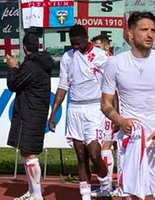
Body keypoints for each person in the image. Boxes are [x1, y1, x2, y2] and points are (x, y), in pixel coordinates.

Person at [100, 12, 155, 200]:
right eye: (144, 30)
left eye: (153, 30)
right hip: (131, 139)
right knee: (131, 194)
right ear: (130, 34)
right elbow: (105, 103)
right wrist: (120, 120)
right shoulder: (115, 63)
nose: (149, 34)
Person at [48, 24, 111, 200]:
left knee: (94, 154)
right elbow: (62, 86)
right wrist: (53, 113)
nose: (75, 47)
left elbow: (111, 84)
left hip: (94, 109)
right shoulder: (67, 58)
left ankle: (105, 185)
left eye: (78, 43)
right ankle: (85, 195)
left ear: (86, 38)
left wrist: (114, 112)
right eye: (72, 43)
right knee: (81, 156)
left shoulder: (100, 56)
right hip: (74, 109)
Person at [5, 33, 53, 200]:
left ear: (24, 48)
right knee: (27, 153)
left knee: (30, 154)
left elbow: (13, 84)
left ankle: (37, 194)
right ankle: (32, 191)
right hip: (33, 111)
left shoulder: (31, 66)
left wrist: (12, 67)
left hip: (31, 113)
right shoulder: (39, 63)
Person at [91, 35, 117, 192]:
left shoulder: (110, 62)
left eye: (98, 48)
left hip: (110, 108)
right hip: (100, 107)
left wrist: (115, 112)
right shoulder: (99, 61)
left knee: (106, 145)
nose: (95, 51)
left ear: (107, 47)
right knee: (104, 145)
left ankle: (107, 186)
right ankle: (108, 184)